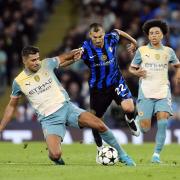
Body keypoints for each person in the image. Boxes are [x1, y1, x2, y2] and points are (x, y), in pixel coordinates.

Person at [0, 46, 136, 166]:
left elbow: (64, 57)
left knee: (99, 125)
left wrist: (81, 51)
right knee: (55, 154)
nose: (37, 62)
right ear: (24, 61)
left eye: (38, 58)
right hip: (49, 119)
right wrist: (1, 127)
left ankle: (123, 155)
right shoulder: (18, 82)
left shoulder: (46, 64)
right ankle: (57, 160)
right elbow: (11, 106)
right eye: (33, 60)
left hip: (67, 108)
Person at [64, 23, 140, 155]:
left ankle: (130, 119)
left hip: (116, 81)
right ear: (90, 36)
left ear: (104, 34)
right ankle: (100, 149)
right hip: (98, 89)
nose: (98, 39)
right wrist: (60, 64)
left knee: (129, 108)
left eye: (100, 36)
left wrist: (134, 42)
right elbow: (71, 58)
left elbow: (118, 31)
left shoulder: (111, 39)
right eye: (95, 37)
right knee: (95, 120)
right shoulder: (85, 48)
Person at [129, 19, 180, 163]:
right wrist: (136, 73)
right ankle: (138, 120)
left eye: (157, 33)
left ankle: (156, 155)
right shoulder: (142, 50)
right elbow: (132, 68)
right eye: (151, 33)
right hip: (146, 91)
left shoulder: (169, 51)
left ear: (162, 35)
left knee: (163, 123)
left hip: (163, 91)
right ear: (148, 36)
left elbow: (177, 65)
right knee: (145, 129)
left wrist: (177, 75)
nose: (154, 35)